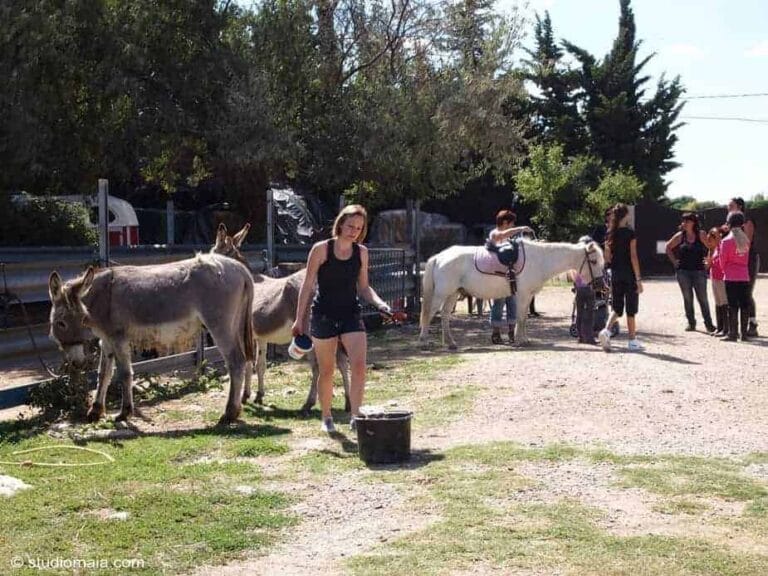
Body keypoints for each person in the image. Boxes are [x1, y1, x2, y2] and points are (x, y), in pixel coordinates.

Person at [292, 204, 391, 433]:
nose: (354, 231)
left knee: (359, 367)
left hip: (350, 314)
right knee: (326, 370)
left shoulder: (362, 252)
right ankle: (327, 416)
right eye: (350, 226)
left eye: (359, 228)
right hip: (323, 314)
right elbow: (307, 286)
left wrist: (380, 303)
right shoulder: (321, 249)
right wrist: (299, 320)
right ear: (340, 224)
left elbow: (364, 287)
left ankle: (356, 416)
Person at [598, 203, 643, 351]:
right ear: (626, 215)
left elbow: (607, 258)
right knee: (631, 308)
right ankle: (632, 340)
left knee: (617, 307)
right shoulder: (630, 233)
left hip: (616, 274)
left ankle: (606, 331)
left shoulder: (610, 234)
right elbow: (633, 256)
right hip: (629, 275)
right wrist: (638, 279)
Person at [664, 212, 715, 333]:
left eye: (687, 221)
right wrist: (674, 262)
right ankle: (691, 323)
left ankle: (709, 324)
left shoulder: (701, 234)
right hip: (683, 272)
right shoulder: (680, 236)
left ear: (693, 222)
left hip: (699, 271)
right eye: (683, 221)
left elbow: (711, 247)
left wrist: (709, 261)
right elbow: (668, 247)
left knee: (703, 298)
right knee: (687, 298)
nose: (685, 223)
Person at [487, 210, 532, 344]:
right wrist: (521, 228)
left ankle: (512, 332)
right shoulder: (495, 234)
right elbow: (502, 234)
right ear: (505, 222)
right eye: (512, 223)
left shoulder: (509, 239)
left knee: (512, 304)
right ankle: (496, 333)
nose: (513, 226)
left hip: (511, 278)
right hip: (498, 277)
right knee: (499, 304)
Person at [718, 211, 751, 342]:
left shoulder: (726, 241)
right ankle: (744, 334)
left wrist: (725, 270)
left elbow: (722, 261)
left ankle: (733, 333)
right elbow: (746, 260)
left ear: (729, 224)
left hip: (730, 276)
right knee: (744, 304)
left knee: (732, 305)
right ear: (742, 224)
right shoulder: (746, 240)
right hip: (744, 276)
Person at [728, 197, 759, 336]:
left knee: (747, 292)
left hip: (749, 260)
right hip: (735, 263)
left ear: (739, 207)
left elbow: (747, 244)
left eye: (731, 205)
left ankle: (752, 324)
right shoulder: (730, 223)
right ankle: (734, 327)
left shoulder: (747, 222)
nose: (728, 208)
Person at [704, 226, 729, 337]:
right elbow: (707, 266)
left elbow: (723, 263)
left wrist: (711, 262)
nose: (710, 238)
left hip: (722, 278)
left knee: (724, 302)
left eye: (713, 236)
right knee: (718, 302)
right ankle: (720, 327)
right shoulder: (713, 249)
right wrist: (709, 262)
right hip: (714, 278)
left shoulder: (723, 247)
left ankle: (726, 329)